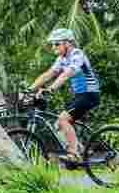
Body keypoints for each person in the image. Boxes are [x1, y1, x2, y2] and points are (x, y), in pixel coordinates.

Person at [29, 28, 100, 163]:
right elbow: (48, 74)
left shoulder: (77, 54)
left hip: (90, 94)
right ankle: (80, 149)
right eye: (52, 44)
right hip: (80, 95)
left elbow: (67, 74)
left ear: (68, 44)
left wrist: (50, 89)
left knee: (63, 120)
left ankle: (74, 154)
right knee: (59, 124)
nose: (53, 47)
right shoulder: (62, 58)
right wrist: (29, 89)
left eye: (56, 44)